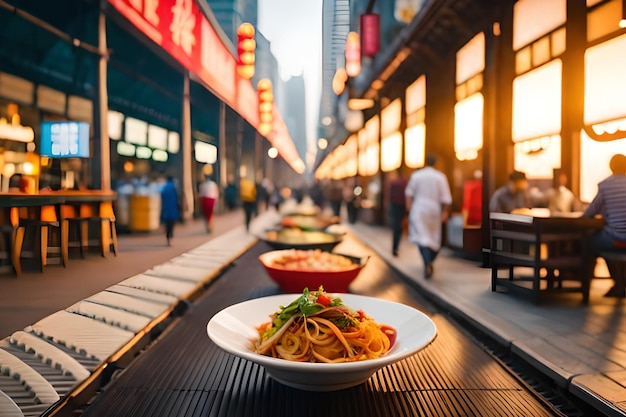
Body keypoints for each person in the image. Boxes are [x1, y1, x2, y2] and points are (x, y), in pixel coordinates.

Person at [582, 153, 626, 297]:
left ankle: (586, 288)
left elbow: (590, 212)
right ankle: (620, 284)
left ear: (611, 167)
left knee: (591, 243)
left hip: (614, 239)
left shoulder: (605, 185)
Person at [405, 154, 452, 278]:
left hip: (419, 208)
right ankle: (429, 261)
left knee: (422, 237)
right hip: (434, 210)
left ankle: (427, 262)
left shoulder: (416, 176)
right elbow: (446, 198)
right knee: (433, 238)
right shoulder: (440, 177)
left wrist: (409, 208)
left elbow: (409, 194)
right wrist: (445, 212)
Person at [387, 169, 408, 257]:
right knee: (399, 227)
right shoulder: (405, 182)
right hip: (402, 206)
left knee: (396, 227)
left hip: (394, 206)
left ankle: (395, 248)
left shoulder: (393, 182)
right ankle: (396, 247)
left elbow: (389, 195)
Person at [160, 176, 180, 246]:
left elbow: (161, 195)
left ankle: (168, 238)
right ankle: (170, 237)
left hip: (166, 208)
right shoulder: (174, 187)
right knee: (171, 224)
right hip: (173, 208)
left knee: (167, 225)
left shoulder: (165, 187)